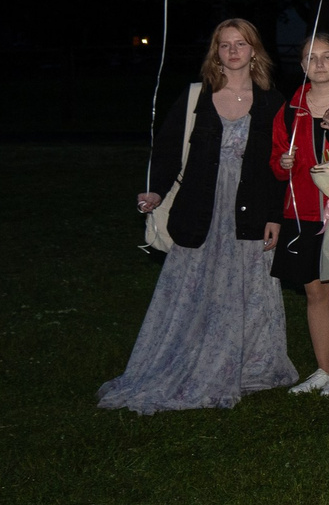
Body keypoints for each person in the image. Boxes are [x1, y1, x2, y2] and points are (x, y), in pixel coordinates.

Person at [108, 20, 295, 411]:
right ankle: (188, 357)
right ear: (216, 53)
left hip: (251, 212)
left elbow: (279, 167)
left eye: (240, 44)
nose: (232, 51)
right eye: (224, 45)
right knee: (194, 292)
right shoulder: (197, 98)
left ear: (254, 50)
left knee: (249, 291)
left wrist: (275, 215)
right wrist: (155, 191)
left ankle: (248, 361)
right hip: (200, 212)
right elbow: (168, 151)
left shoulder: (274, 101)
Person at [273, 34, 329, 397]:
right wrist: (283, 164)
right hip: (304, 212)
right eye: (312, 58)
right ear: (302, 65)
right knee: (315, 292)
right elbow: (276, 166)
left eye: (328, 57)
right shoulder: (289, 109)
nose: (321, 64)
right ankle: (323, 368)